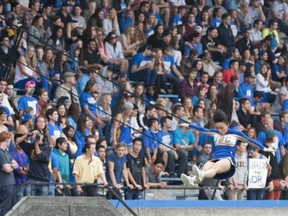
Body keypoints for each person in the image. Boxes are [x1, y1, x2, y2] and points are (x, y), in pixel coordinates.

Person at [180, 109, 273, 186]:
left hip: (228, 161)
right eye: (217, 128)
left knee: (214, 167)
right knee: (206, 165)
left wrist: (264, 148)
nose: (219, 130)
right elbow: (202, 130)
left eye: (222, 127)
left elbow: (250, 141)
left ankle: (201, 175)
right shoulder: (215, 132)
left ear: (227, 124)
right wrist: (188, 125)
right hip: (217, 158)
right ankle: (191, 180)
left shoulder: (235, 134)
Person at [0, 131, 18, 216]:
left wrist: (10, 165)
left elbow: (17, 165)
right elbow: (7, 169)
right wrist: (11, 166)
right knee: (5, 207)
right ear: (7, 140)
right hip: (5, 184)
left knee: (10, 206)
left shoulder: (6, 152)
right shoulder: (0, 153)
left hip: (10, 183)